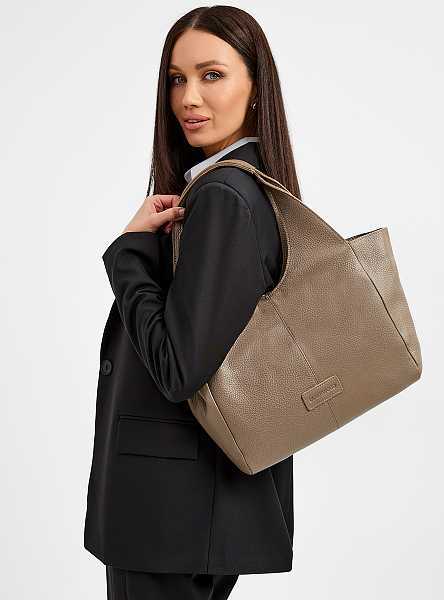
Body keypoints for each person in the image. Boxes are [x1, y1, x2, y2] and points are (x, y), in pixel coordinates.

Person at [83, 6, 302, 599]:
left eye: (212, 75)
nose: (188, 98)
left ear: (256, 86)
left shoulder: (224, 196)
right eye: (177, 79)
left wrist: (129, 254)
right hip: (192, 507)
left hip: (170, 513)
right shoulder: (238, 187)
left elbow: (179, 367)